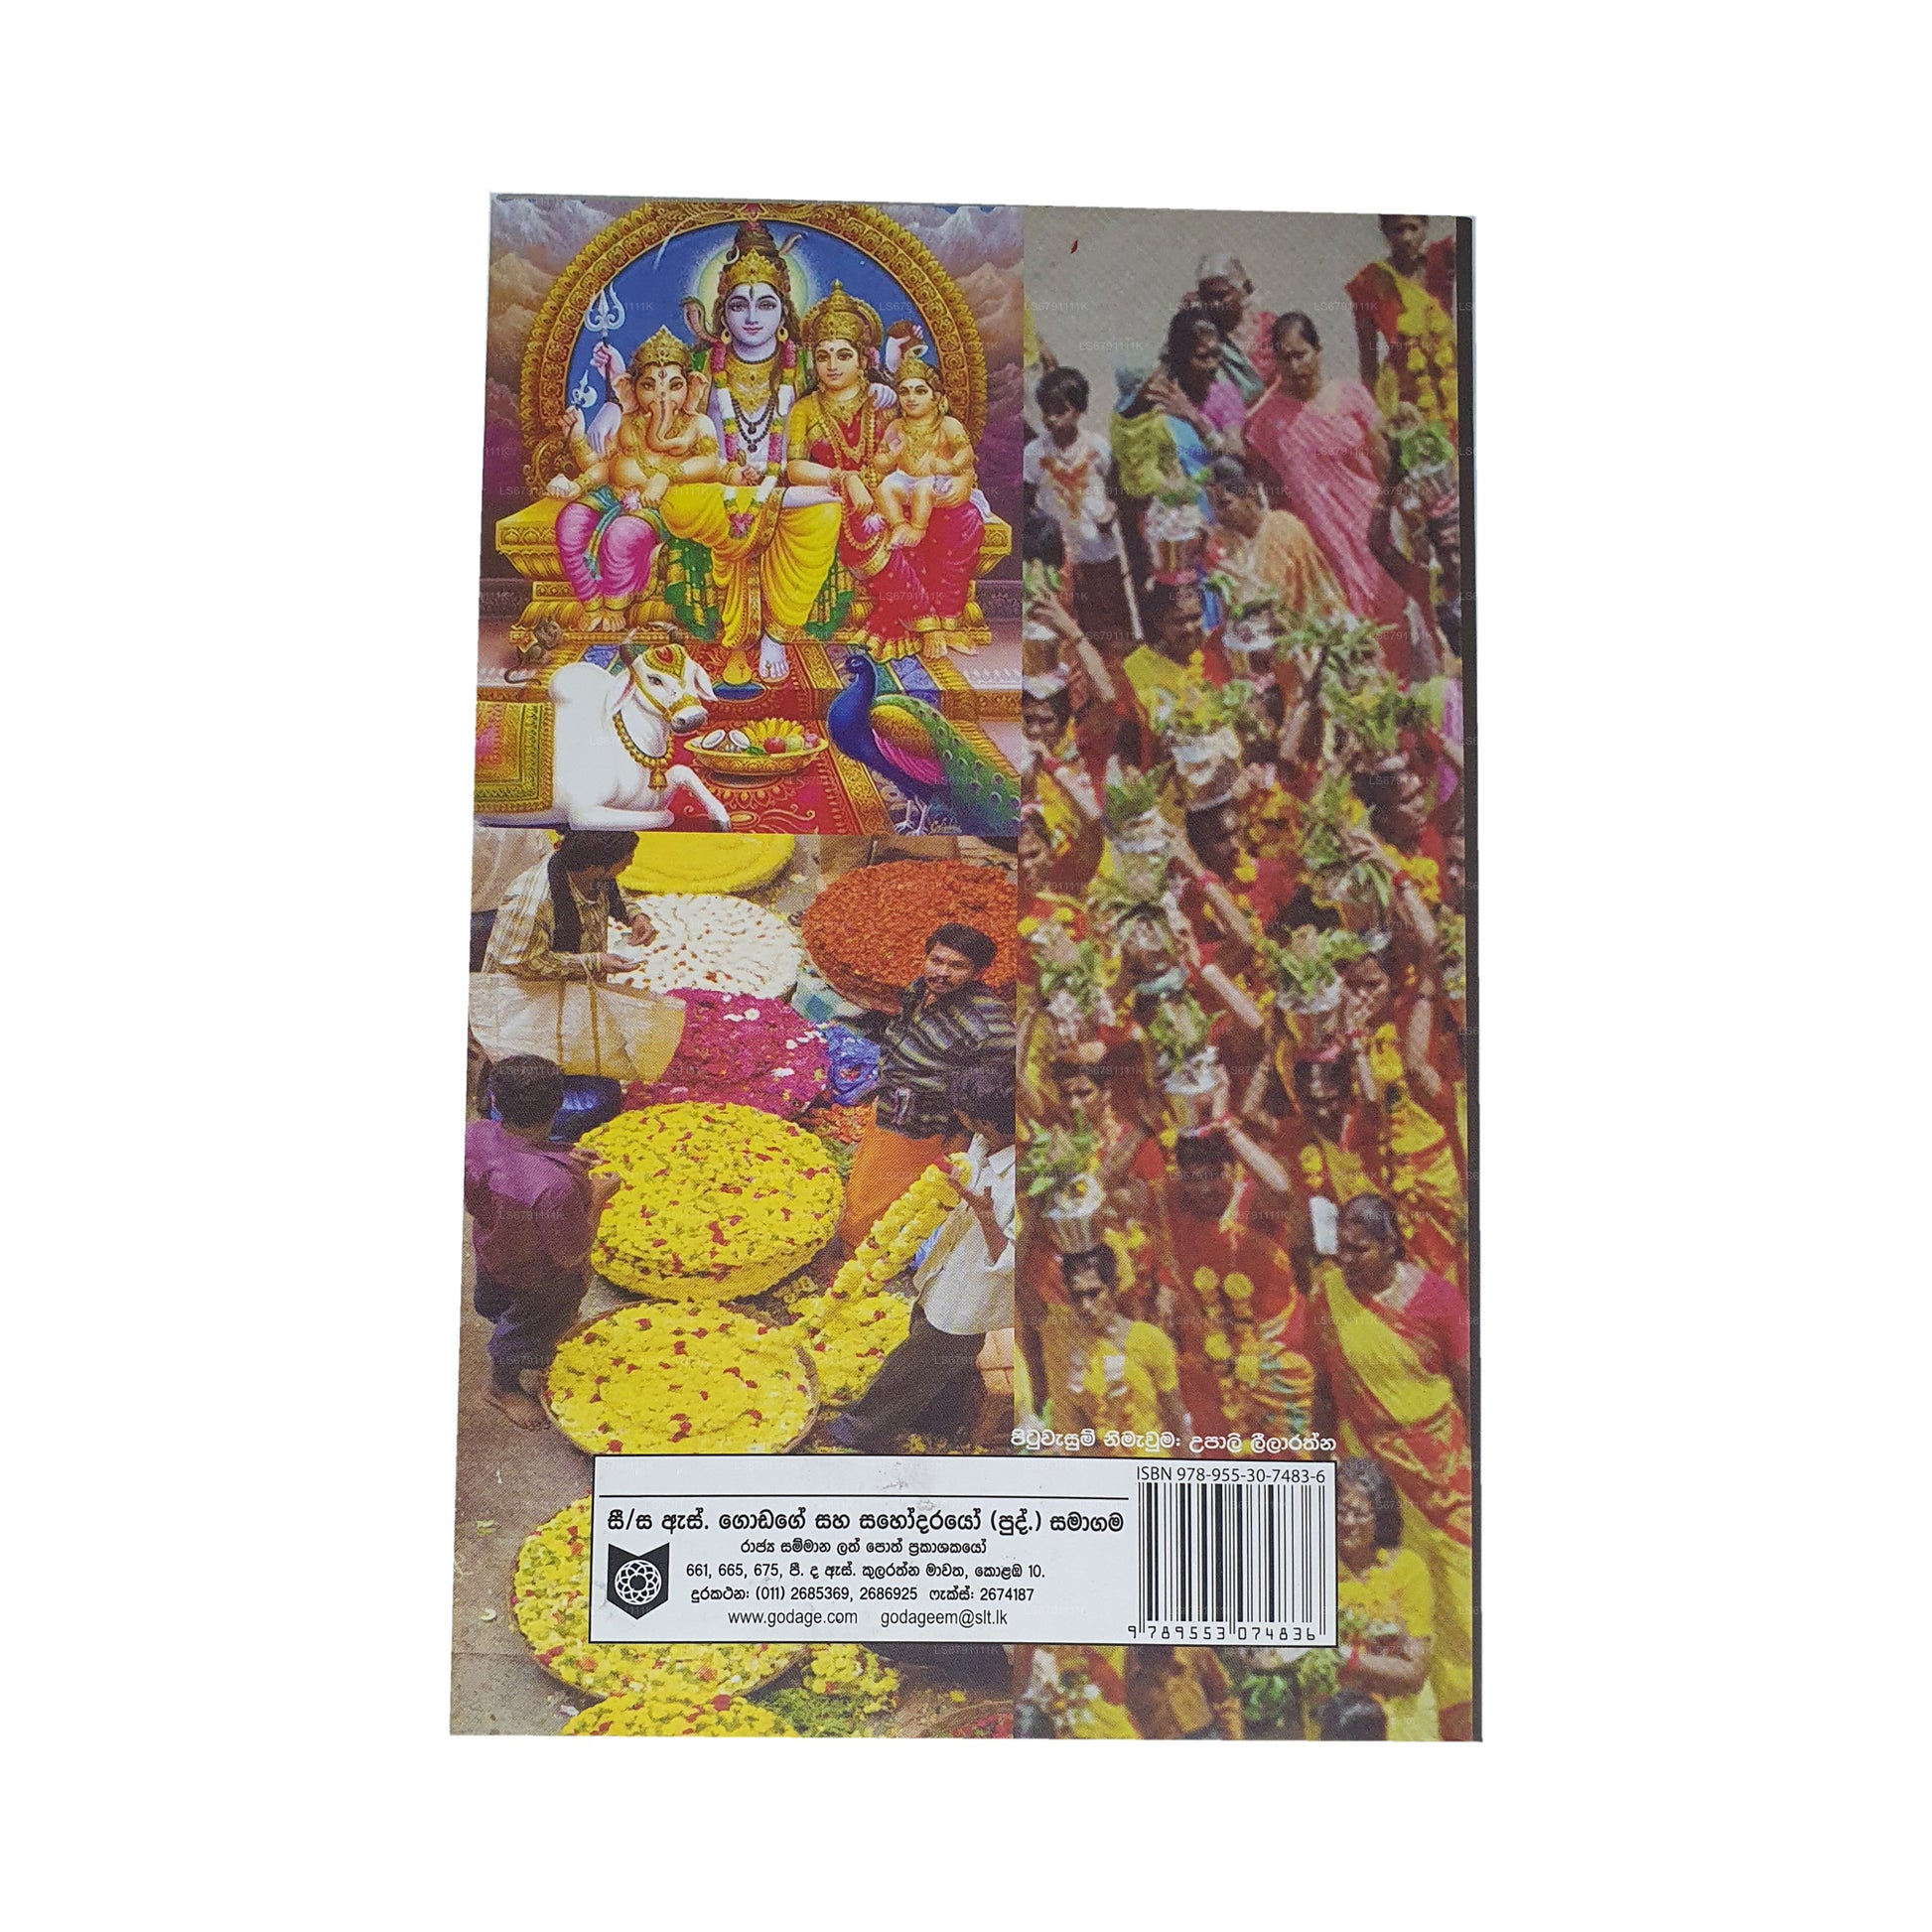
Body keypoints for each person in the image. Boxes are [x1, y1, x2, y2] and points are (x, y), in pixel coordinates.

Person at [1309, 1192, 1473, 1737]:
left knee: (1461, 1598)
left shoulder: (1438, 1300)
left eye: (1358, 1250)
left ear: (1389, 1245)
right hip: (1370, 1472)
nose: (1345, 1260)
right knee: (1384, 1598)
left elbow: (1469, 1389)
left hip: (1438, 1472)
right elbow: (1325, 1390)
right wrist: (1319, 1470)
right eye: (1340, 1248)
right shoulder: (1328, 1296)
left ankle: (1467, 1722)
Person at [826, 1062, 1017, 1449]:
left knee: (913, 1365)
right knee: (940, 1348)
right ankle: (939, 1419)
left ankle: (861, 1430)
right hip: (946, 1271)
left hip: (970, 1294)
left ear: (989, 1123)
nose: (961, 1123)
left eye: (967, 1118)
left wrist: (985, 1217)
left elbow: (1014, 1260)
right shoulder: (986, 1142)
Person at [1244, 313, 1422, 678]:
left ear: (1319, 351)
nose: (1295, 367)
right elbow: (1275, 500)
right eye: (1285, 358)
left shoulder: (1352, 396)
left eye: (1301, 354)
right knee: (1347, 642)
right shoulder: (1267, 423)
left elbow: (1386, 468)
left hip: (1373, 536)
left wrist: (1413, 525)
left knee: (1391, 620)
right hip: (1323, 550)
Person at [464, 1055, 623, 1431]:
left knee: (502, 1303)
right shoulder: (555, 1188)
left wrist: (560, 1156)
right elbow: (572, 1251)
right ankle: (502, 1387)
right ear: (558, 1105)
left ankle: (513, 1327)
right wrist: (599, 1195)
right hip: (540, 1275)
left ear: (494, 1100)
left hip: (493, 1247)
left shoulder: (474, 1134)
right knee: (526, 1330)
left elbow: (510, 1163)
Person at [838, 921, 1016, 1249]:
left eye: (957, 966)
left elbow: (995, 1090)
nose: (942, 972)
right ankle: (854, 1234)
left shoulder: (988, 1027)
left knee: (883, 1197)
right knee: (867, 1178)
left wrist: (963, 1136)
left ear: (978, 973)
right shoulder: (921, 989)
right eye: (937, 960)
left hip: (923, 1126)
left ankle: (856, 1254)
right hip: (891, 1105)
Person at [1159, 1129, 1314, 1445]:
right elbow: (1107, 1192)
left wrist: (1231, 1131)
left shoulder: (1254, 1202)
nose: (1204, 1189)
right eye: (1193, 1179)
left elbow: (1281, 1187)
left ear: (1232, 1167)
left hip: (1280, 1357)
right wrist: (1142, 1128)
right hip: (1216, 1367)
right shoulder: (1177, 1206)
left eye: (1213, 1175)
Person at [1038, 1242, 1188, 1448]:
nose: (1086, 1306)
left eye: (1094, 1293)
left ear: (1113, 1287)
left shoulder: (1150, 1340)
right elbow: (1077, 1426)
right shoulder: (1075, 1352)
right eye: (1077, 1296)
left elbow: (1176, 1421)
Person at [1333, 1455, 1439, 1739]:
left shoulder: (1407, 1569)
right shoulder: (1311, 1572)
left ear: (1379, 1516)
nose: (1348, 1523)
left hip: (1403, 1726)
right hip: (1337, 1722)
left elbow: (1414, 1673)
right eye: (1340, 1512)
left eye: (1359, 1514)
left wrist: (1341, 1656)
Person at [1026, 366, 1133, 643]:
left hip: (1099, 553)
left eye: (1061, 410)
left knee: (1110, 629)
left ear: (1080, 409)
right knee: (1066, 633)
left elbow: (1117, 490)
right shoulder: (1034, 454)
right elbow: (1026, 503)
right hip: (1059, 561)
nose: (1052, 419)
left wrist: (1111, 511)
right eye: (1046, 411)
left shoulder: (1098, 447)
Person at [482, 831, 656, 980]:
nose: (629, 864)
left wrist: (635, 916)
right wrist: (595, 962)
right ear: (593, 868)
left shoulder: (589, 872)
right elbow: (523, 962)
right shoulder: (534, 902)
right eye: (623, 866)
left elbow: (611, 889)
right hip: (525, 995)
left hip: (572, 989)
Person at [1345, 216, 1459, 435]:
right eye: (1398, 230)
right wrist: (1371, 417)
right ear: (1385, 232)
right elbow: (1368, 360)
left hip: (1450, 382)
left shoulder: (1442, 260)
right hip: (1405, 396)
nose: (1407, 238)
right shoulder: (1371, 282)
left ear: (1425, 228)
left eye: (1413, 228)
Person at [1203, 458, 1344, 619]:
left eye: (1225, 504)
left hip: (1300, 623)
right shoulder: (1223, 543)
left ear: (1250, 493)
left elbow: (1311, 589)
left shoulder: (1285, 527)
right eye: (1215, 508)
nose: (1220, 515)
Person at [1188, 252, 1276, 406]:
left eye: (1222, 296)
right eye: (1208, 297)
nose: (1215, 304)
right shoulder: (1200, 339)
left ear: (1243, 290)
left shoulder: (1271, 329)